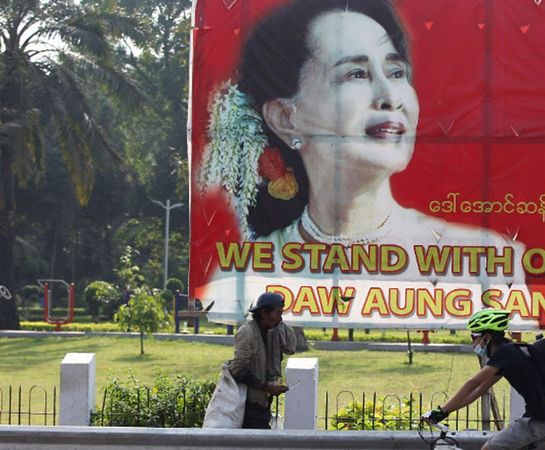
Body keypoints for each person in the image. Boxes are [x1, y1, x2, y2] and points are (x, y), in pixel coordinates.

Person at [198, 0, 527, 325]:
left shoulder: (485, 258)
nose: (390, 96)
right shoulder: (247, 271)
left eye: (396, 72)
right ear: (286, 117)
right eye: (356, 74)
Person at [421, 309, 545, 450]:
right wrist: (446, 412)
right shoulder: (508, 353)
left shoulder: (505, 352)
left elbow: (473, 382)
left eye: (474, 336)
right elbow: (479, 389)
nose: (472, 342)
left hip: (538, 421)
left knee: (489, 448)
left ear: (487, 337)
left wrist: (442, 411)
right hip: (543, 419)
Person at [229, 292, 297, 429]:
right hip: (248, 406)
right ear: (264, 313)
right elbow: (238, 369)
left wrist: (280, 324)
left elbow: (291, 348)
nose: (280, 317)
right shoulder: (247, 332)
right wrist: (267, 387)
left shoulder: (273, 332)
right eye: (277, 313)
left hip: (264, 403)